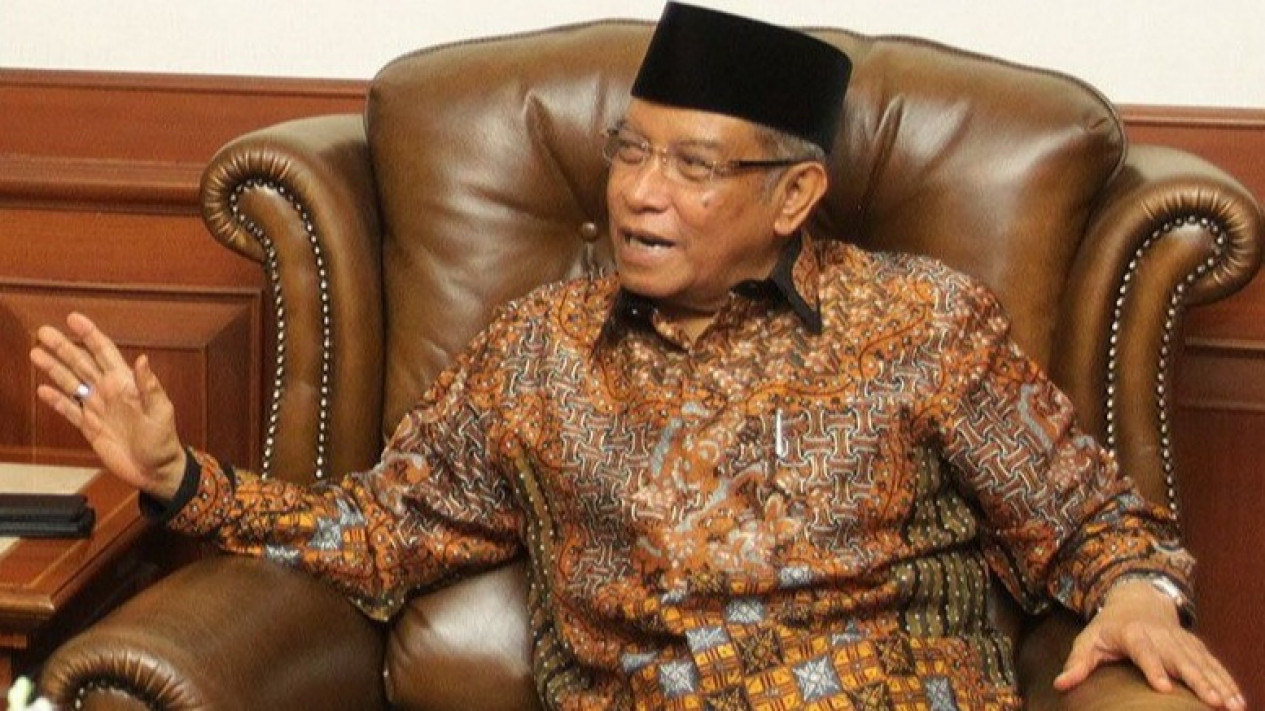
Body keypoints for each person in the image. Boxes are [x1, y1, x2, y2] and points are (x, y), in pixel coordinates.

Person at [29, 3, 1243, 710]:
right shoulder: (538, 352)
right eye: (628, 153)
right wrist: (180, 477)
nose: (639, 194)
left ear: (794, 195)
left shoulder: (922, 322)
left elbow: (1092, 522)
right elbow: (383, 533)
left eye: (692, 167)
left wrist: (1136, 594)